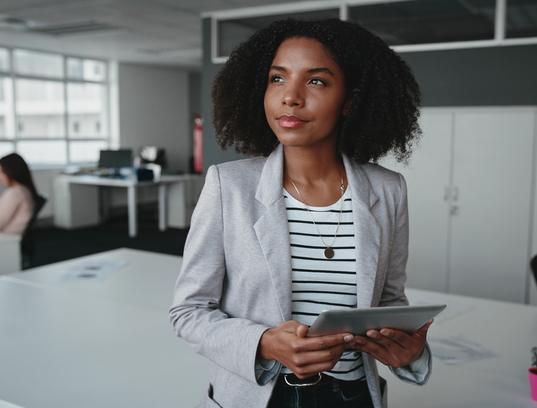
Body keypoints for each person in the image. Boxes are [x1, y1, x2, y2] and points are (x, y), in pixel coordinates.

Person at [170, 18, 432, 408]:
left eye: (316, 81)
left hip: (355, 395)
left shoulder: (387, 190)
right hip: (261, 396)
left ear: (350, 100)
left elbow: (390, 300)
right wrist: (264, 344)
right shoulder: (229, 186)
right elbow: (189, 312)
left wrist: (409, 351)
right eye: (278, 79)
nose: (290, 97)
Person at [0, 153, 38, 235]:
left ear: (12, 171)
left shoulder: (15, 193)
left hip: (3, 238)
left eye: (1, 172)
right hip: (5, 236)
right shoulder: (24, 190)